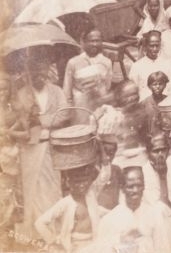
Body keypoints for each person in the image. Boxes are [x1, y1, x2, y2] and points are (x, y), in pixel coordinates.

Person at [15, 57, 67, 235]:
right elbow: (21, 123)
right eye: (35, 70)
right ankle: (35, 233)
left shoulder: (57, 91)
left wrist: (40, 119)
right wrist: (31, 118)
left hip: (52, 148)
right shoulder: (22, 94)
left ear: (48, 71)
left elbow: (64, 115)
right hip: (31, 150)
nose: (39, 74)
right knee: (32, 190)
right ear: (28, 72)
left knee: (53, 189)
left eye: (42, 69)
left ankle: (53, 231)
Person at [95, 167, 171, 253]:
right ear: (122, 188)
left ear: (144, 186)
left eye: (139, 185)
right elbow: (101, 249)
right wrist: (121, 239)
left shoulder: (154, 215)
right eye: (130, 187)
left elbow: (163, 248)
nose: (136, 190)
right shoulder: (109, 220)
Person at [34, 163, 104, 253]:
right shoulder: (66, 203)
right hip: (75, 246)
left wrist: (104, 158)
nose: (81, 185)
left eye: (84, 181)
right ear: (69, 182)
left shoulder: (91, 195)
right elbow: (39, 223)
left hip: (94, 242)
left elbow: (104, 177)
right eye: (77, 181)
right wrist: (53, 241)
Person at [64, 28, 113, 110]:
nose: (95, 44)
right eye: (92, 41)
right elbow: (66, 91)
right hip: (80, 107)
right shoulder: (73, 62)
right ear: (84, 42)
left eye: (98, 41)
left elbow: (107, 87)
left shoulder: (106, 62)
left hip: (100, 106)